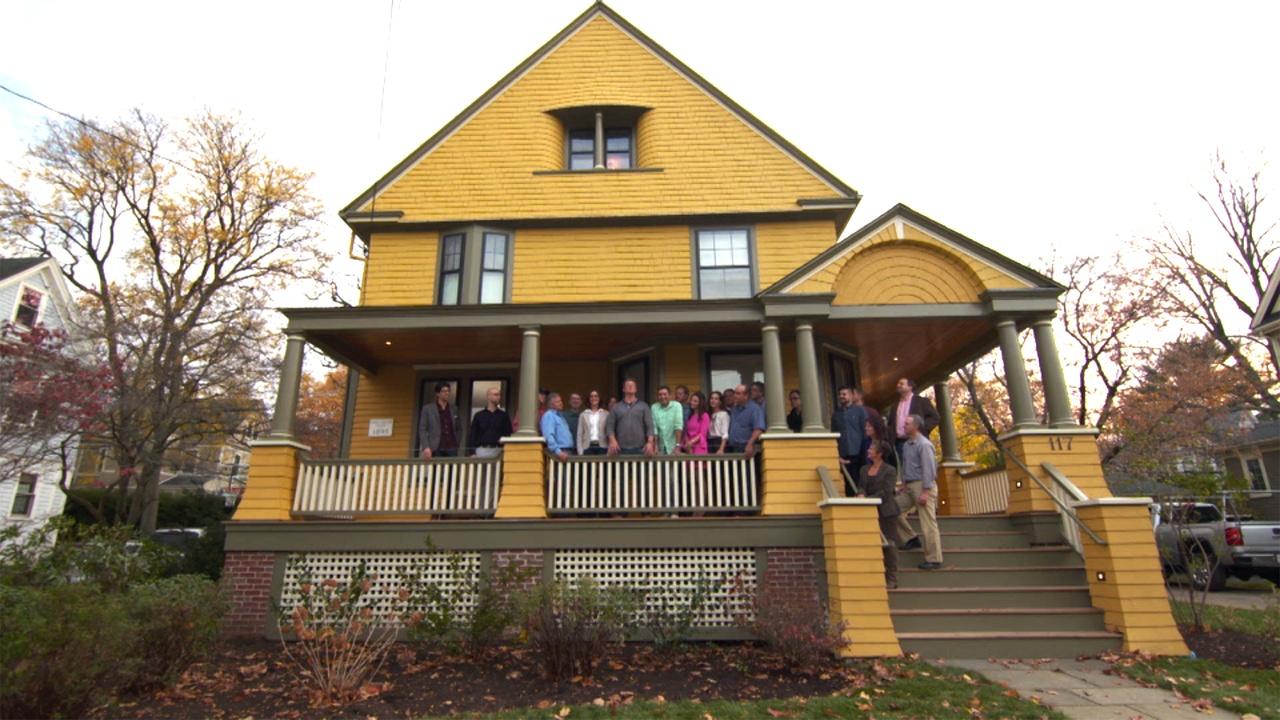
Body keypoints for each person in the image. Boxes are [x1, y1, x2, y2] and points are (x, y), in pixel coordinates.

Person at [857, 440, 900, 589]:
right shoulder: (864, 469)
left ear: (879, 453)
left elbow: (887, 492)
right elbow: (861, 486)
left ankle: (892, 578)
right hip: (869, 511)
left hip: (886, 512)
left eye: (871, 449)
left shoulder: (890, 471)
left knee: (889, 544)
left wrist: (868, 500)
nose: (868, 450)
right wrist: (861, 494)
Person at [902, 414, 943, 570]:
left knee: (927, 523)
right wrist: (904, 483)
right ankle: (911, 538)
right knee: (893, 509)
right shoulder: (907, 445)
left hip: (923, 486)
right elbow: (907, 465)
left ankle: (934, 559)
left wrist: (926, 491)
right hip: (910, 486)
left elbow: (929, 469)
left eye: (907, 424)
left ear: (915, 426)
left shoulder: (924, 445)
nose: (904, 426)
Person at [885, 378, 940, 461]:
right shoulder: (894, 406)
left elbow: (935, 417)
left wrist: (921, 428)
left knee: (920, 466)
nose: (898, 385)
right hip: (899, 443)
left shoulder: (921, 401)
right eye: (898, 384)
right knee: (906, 469)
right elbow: (890, 424)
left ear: (910, 387)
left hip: (916, 440)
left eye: (901, 384)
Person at [831, 385, 869, 493]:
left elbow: (865, 431)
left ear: (851, 395)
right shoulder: (836, 415)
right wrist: (837, 454)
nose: (841, 396)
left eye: (844, 394)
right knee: (849, 483)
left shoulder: (860, 411)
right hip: (844, 454)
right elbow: (834, 434)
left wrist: (865, 451)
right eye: (840, 394)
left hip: (860, 453)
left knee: (862, 481)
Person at [606, 378, 655, 456]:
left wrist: (650, 443)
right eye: (628, 385)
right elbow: (610, 427)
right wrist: (612, 441)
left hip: (640, 449)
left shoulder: (644, 406)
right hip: (620, 449)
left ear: (636, 389)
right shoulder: (616, 407)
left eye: (632, 385)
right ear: (623, 389)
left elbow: (650, 427)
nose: (630, 387)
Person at [418, 382, 461, 458]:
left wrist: (457, 442)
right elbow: (422, 429)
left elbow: (459, 428)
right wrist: (426, 446)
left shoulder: (454, 409)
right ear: (438, 394)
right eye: (444, 391)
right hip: (435, 447)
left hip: (452, 447)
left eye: (448, 391)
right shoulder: (428, 409)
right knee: (435, 469)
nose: (447, 393)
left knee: (452, 469)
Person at [469, 386, 513, 458]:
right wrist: (472, 452)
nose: (498, 397)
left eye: (499, 395)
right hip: (482, 450)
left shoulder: (503, 415)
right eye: (495, 395)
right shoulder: (479, 415)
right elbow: (473, 435)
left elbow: (509, 433)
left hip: (499, 450)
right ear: (488, 396)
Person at [726, 383, 765, 457]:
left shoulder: (754, 409)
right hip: (733, 448)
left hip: (747, 449)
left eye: (737, 393)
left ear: (746, 396)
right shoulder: (734, 409)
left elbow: (758, 429)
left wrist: (750, 444)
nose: (734, 396)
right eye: (735, 393)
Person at [540, 392, 575, 460]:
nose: (561, 403)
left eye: (561, 401)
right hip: (560, 453)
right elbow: (549, 436)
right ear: (551, 404)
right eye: (557, 402)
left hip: (568, 451)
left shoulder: (560, 416)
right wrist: (558, 452)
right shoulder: (549, 415)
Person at [651, 385, 684, 455]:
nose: (662, 397)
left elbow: (678, 426)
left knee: (674, 466)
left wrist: (677, 446)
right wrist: (655, 445)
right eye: (660, 395)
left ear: (670, 395)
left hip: (673, 447)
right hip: (660, 447)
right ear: (657, 396)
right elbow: (654, 428)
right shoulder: (654, 407)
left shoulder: (677, 406)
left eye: (665, 394)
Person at [576, 390, 609, 456]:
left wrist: (609, 449)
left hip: (603, 447)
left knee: (602, 466)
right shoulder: (583, 414)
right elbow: (579, 434)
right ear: (589, 399)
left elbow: (609, 432)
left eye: (596, 396)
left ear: (599, 398)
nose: (594, 398)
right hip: (587, 447)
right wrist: (580, 451)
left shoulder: (606, 414)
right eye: (591, 396)